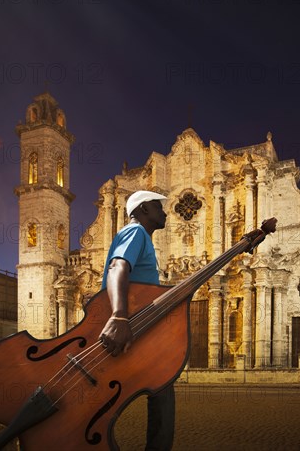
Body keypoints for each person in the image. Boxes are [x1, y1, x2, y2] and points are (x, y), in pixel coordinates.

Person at [99, 190, 175, 451]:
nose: (164, 211)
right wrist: (119, 316)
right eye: (158, 206)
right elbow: (117, 267)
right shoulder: (136, 232)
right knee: (162, 384)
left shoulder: (142, 238)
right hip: (127, 327)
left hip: (135, 326)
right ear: (143, 209)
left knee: (160, 388)